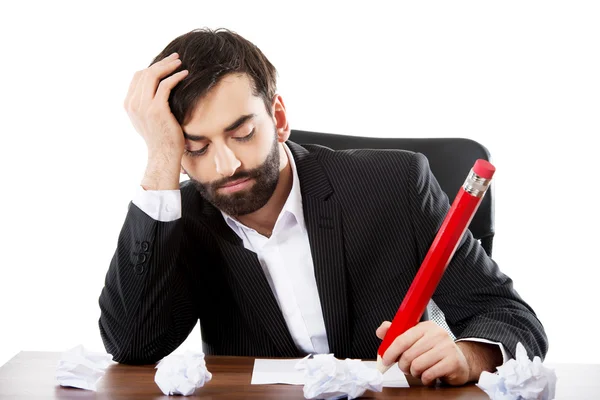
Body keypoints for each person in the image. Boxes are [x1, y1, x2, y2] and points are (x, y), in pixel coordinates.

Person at [98, 28, 547, 386]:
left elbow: (512, 318)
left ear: (277, 117)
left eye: (242, 134)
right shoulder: (184, 219)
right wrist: (160, 159)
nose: (226, 164)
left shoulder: (397, 184)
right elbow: (133, 344)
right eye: (194, 147)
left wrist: (468, 356)